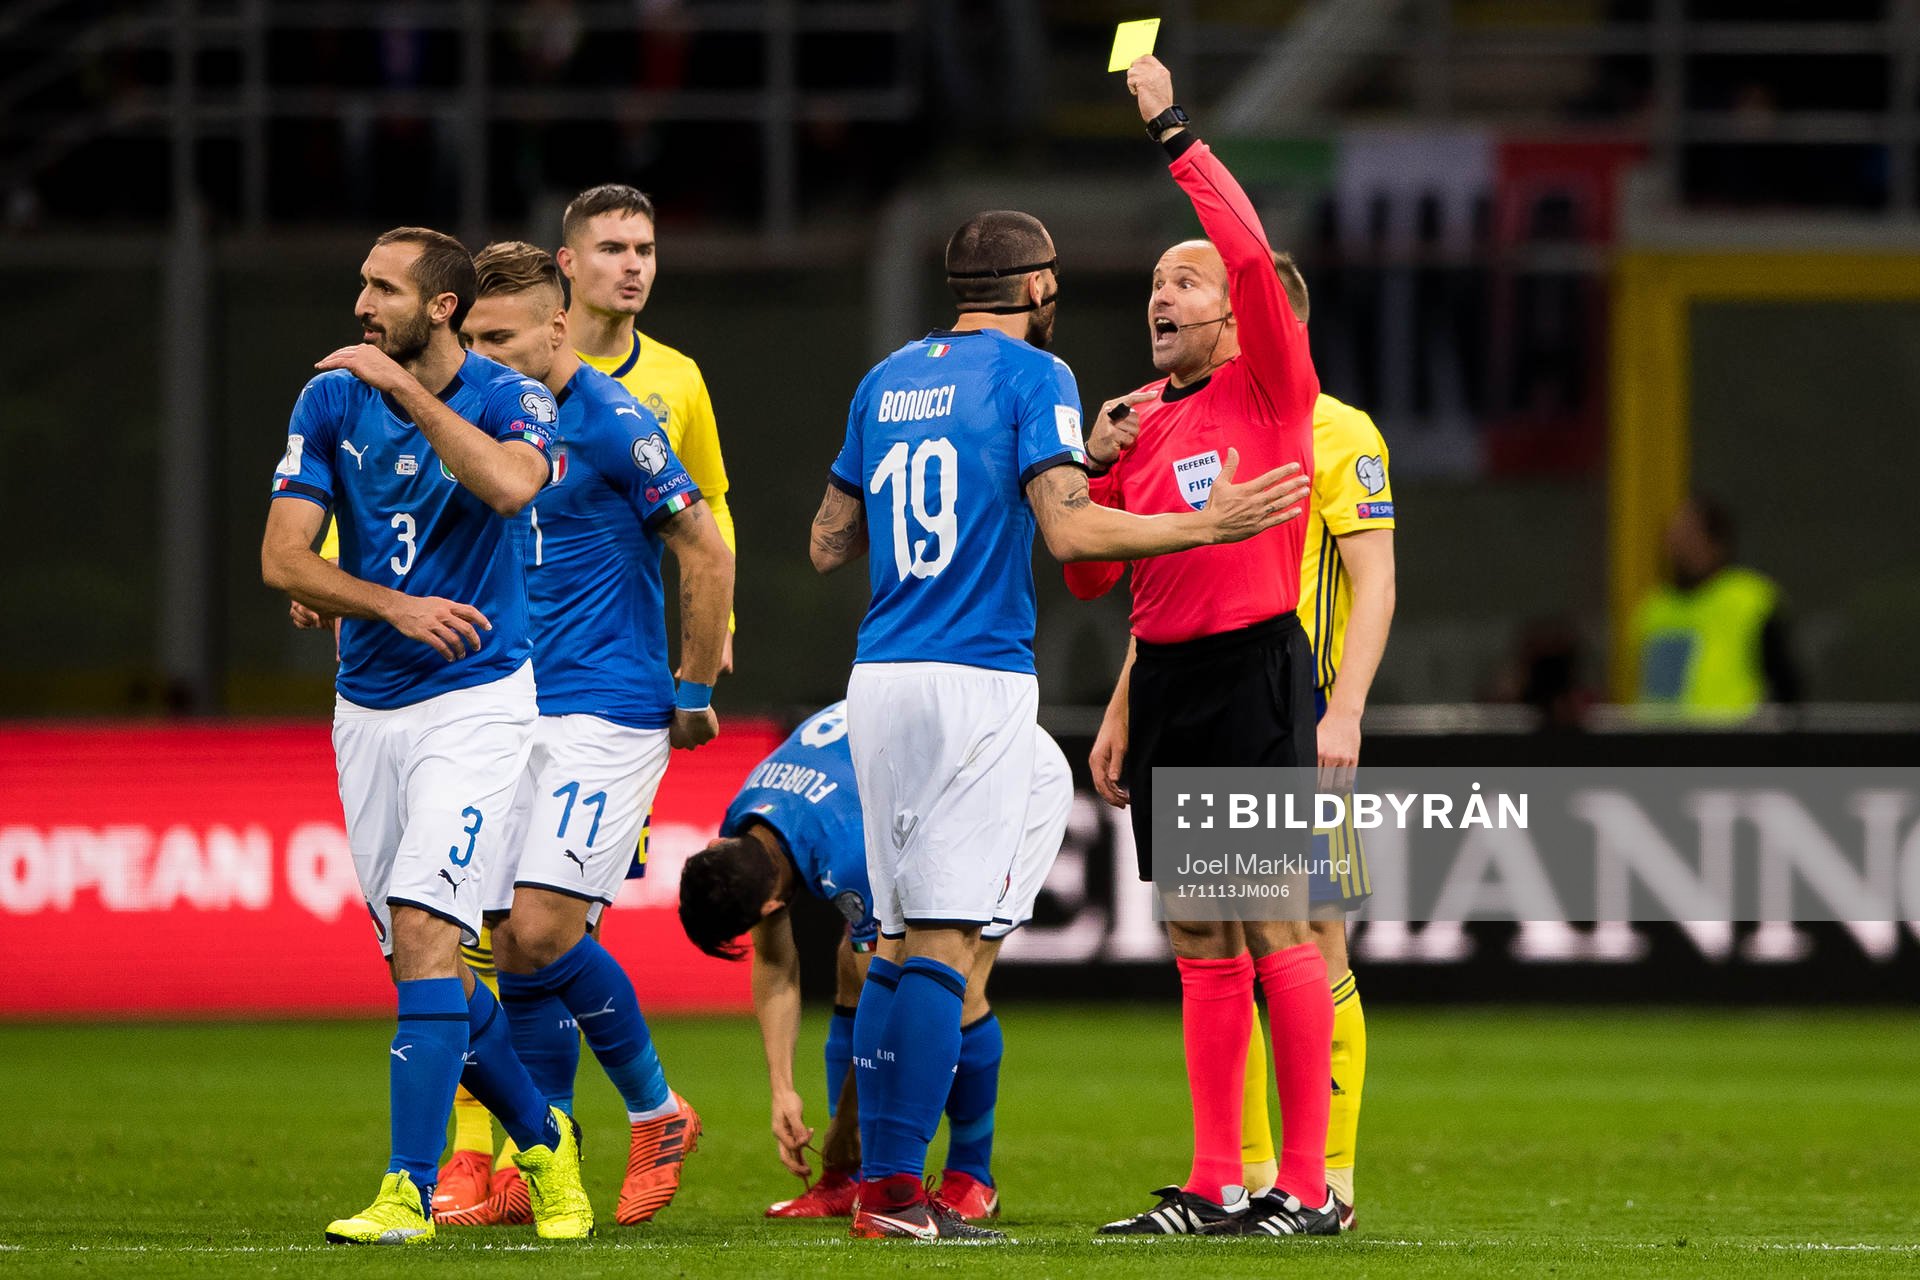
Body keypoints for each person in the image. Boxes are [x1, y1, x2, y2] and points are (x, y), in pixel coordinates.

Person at [808, 205, 1308, 1241]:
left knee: (892, 937)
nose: (1158, 295)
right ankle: (899, 1193)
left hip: (878, 674)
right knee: (947, 938)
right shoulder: (1041, 375)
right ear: (1038, 287)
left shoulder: (883, 379)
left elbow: (828, 539)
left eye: (1184, 283)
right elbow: (1073, 535)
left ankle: (881, 1183)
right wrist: (1204, 523)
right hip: (976, 674)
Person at [260, 227, 592, 1244]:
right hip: (367, 708)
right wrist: (383, 604)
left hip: (477, 701)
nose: (362, 305)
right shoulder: (329, 399)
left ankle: (406, 1191)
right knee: (422, 962)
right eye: (362, 284)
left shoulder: (513, 398)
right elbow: (283, 559)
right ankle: (544, 1139)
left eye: (385, 289)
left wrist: (406, 392)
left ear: (442, 307)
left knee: (424, 929)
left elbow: (510, 485)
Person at [1069, 252, 1396, 1233]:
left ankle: (1325, 1179)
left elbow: (1375, 580)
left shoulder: (1333, 427)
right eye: (1156, 284)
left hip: (1293, 704)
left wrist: (1346, 710)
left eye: (1191, 285)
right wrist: (1125, 700)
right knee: (1208, 929)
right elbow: (1157, 580)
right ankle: (1236, 1176)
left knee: (1306, 932)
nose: (1162, 298)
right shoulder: (1157, 414)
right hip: (1184, 684)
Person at [447, 241, 734, 1227]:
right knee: (504, 941)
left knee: (541, 931)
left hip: (606, 707)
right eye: (472, 337)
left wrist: (693, 686)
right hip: (511, 705)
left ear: (556, 328)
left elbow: (705, 547)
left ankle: (657, 1110)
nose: (481, 355)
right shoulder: (485, 418)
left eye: (500, 336)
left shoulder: (614, 420)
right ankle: (546, 1158)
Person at [676, 701, 1073, 1222]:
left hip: (1017, 775)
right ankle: (848, 1178)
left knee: (957, 979)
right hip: (930, 754)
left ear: (770, 906)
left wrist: (846, 1123)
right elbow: (775, 965)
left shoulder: (848, 854)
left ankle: (972, 1176)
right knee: (853, 959)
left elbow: (882, 995)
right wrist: (782, 1092)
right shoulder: (746, 829)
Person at [559, 183, 737, 673]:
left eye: (645, 250)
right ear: (568, 262)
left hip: (623, 658)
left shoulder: (679, 376)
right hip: (511, 649)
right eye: (612, 249)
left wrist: (720, 619)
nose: (633, 265)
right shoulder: (519, 366)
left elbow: (711, 502)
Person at [1633, 495, 1800, 721]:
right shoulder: (1654, 608)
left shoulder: (1751, 600)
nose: (1677, 545)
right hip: (1657, 739)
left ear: (1717, 543)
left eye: (1689, 535)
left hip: (1729, 737)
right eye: (1673, 535)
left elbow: (1786, 686)